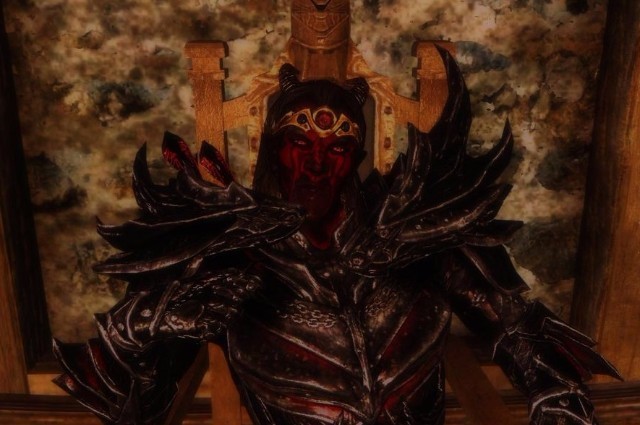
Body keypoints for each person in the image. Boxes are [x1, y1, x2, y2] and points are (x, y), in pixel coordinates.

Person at [54, 50, 619, 425]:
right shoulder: (223, 256)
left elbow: (517, 325)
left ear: (356, 157)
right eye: (300, 144)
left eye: (338, 148)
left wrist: (556, 398)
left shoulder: (415, 232)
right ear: (274, 148)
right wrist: (144, 325)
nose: (317, 165)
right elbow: (133, 408)